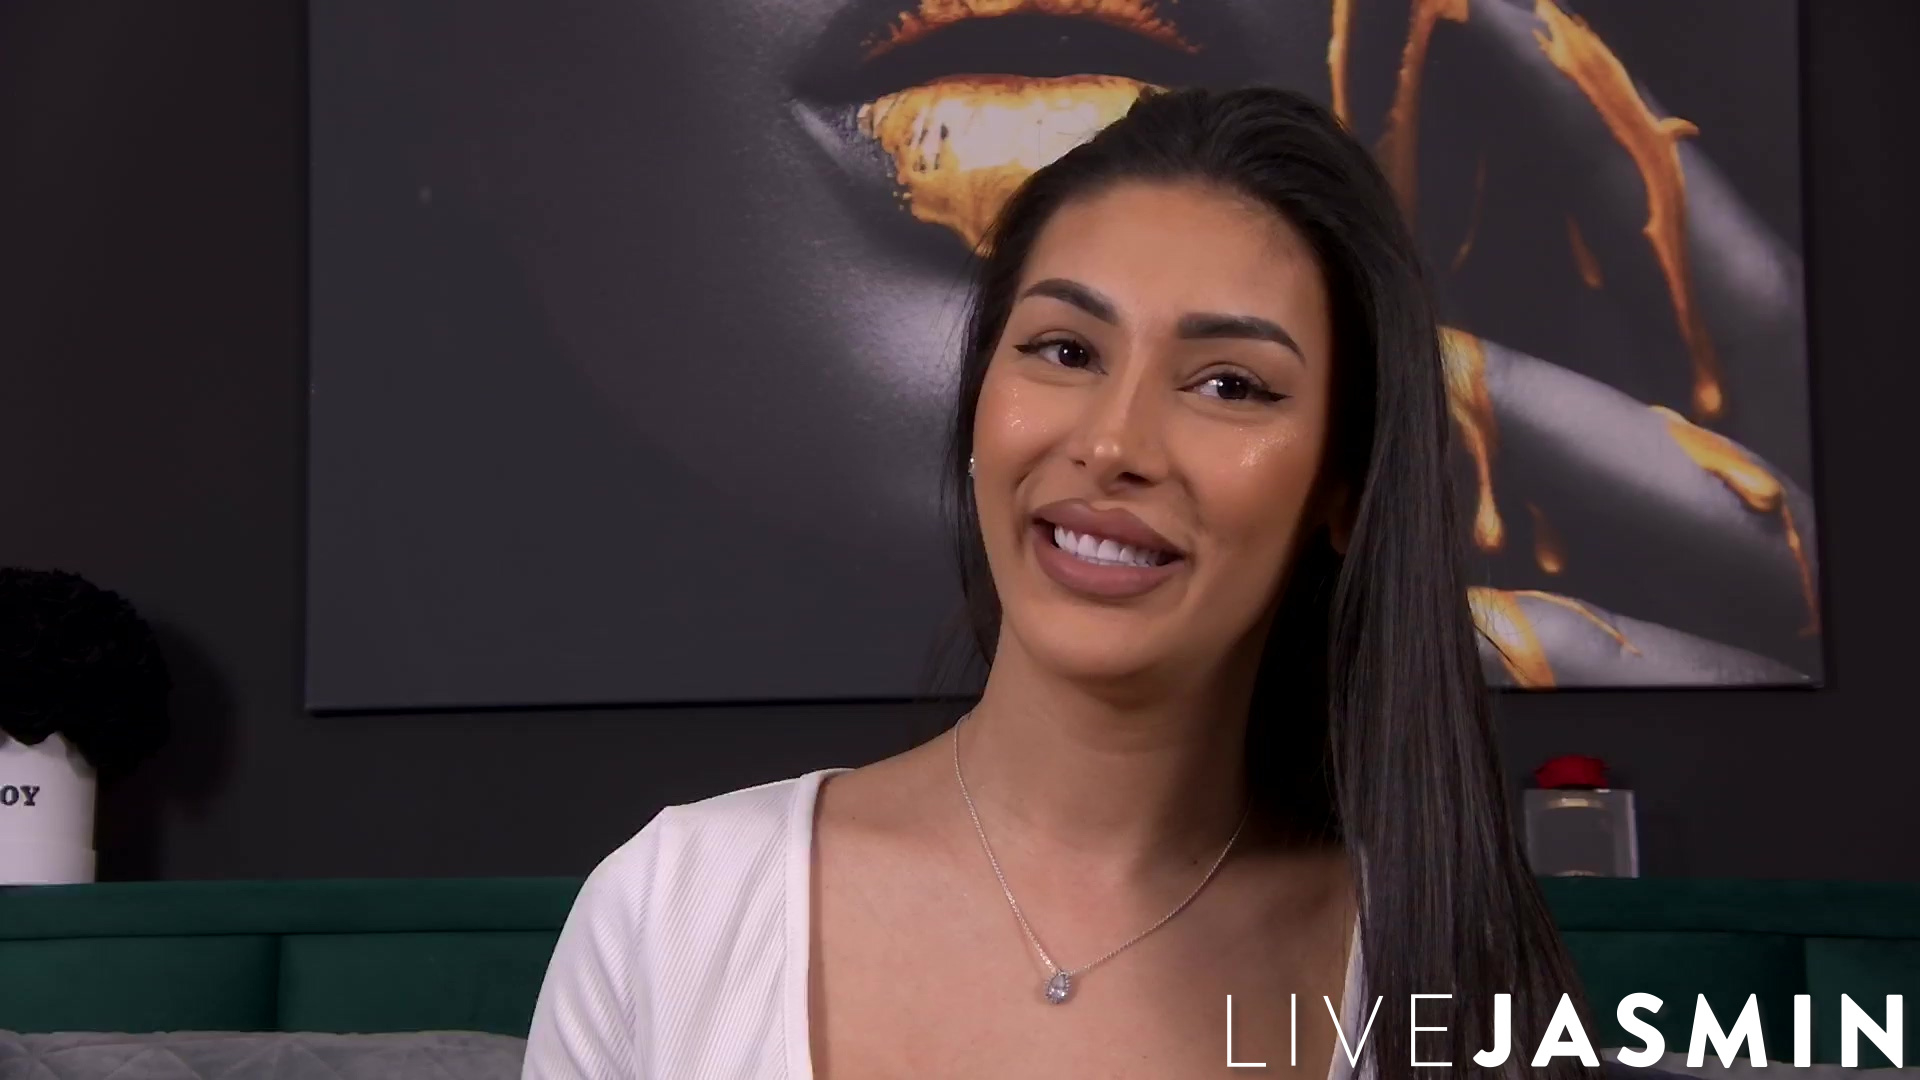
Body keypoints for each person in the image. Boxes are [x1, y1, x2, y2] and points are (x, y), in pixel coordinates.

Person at [521, 87, 1688, 1078]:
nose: (1114, 443)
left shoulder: (1447, 980)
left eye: (1230, 385)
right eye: (1066, 351)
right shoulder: (677, 909)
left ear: (1342, 486)